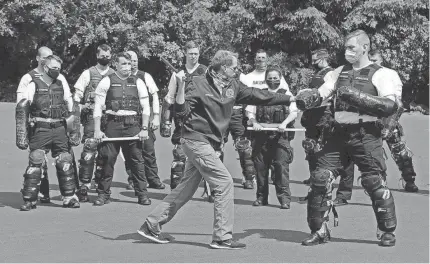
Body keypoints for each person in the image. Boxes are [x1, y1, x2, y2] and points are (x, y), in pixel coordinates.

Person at [137, 50, 294, 249]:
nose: (237, 70)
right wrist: (181, 88)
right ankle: (222, 237)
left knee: (186, 187)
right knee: (224, 182)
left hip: (209, 143)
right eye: (234, 67)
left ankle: (151, 225)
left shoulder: (233, 85)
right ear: (223, 67)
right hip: (195, 140)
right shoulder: (198, 83)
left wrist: (289, 99)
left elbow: (259, 96)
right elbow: (182, 112)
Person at [296, 30, 399, 247]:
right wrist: (309, 97)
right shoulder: (338, 72)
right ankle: (319, 230)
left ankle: (386, 231)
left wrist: (357, 97)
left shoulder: (383, 73)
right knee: (320, 178)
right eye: (345, 47)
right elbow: (323, 92)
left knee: (374, 182)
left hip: (366, 134)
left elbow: (390, 106)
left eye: (351, 47)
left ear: (365, 48)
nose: (347, 52)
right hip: (337, 132)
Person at [332, 49, 420, 205]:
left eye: (375, 60)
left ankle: (409, 180)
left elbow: (397, 104)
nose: (372, 63)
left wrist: (389, 125)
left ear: (381, 60)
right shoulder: (356, 73)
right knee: (352, 157)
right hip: (364, 123)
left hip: (387, 120)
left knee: (401, 152)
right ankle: (344, 194)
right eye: (370, 59)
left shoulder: (389, 74)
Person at [16, 46, 79, 204]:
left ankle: (69, 197)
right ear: (44, 66)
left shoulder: (61, 82)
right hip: (40, 128)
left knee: (65, 159)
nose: (56, 70)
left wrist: (74, 131)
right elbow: (22, 108)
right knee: (36, 159)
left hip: (59, 128)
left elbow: (71, 106)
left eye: (58, 68)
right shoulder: (31, 82)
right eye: (53, 68)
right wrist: (21, 135)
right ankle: (30, 198)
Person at [92, 52, 151, 206]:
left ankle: (142, 194)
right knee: (107, 160)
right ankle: (103, 194)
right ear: (115, 65)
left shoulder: (138, 82)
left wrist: (144, 129)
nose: (127, 66)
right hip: (112, 125)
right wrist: (97, 130)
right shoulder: (106, 81)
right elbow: (98, 107)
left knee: (136, 161)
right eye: (123, 63)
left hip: (133, 126)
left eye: (129, 63)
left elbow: (145, 107)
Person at [246, 65, 298, 209]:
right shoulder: (259, 94)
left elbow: (294, 113)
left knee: (281, 167)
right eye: (270, 78)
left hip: (280, 136)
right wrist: (254, 122)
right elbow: (250, 112)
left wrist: (284, 123)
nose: (272, 80)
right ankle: (261, 198)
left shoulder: (287, 94)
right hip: (261, 136)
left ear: (280, 79)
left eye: (275, 78)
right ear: (266, 79)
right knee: (260, 168)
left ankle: (284, 200)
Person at [160, 41, 207, 190]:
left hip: (201, 118)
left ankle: (210, 189)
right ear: (185, 54)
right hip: (181, 116)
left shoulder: (205, 71)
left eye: (196, 54)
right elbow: (169, 98)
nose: (193, 56)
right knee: (179, 154)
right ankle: (175, 190)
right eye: (190, 53)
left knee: (206, 156)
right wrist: (165, 122)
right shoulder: (177, 73)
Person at [242, 49, 291, 186]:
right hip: (256, 117)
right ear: (255, 60)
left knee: (280, 156)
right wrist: (252, 119)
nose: (261, 60)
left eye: (263, 58)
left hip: (277, 122)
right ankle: (249, 177)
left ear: (267, 59)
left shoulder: (276, 75)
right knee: (250, 151)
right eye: (258, 58)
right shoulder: (248, 77)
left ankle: (277, 179)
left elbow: (287, 97)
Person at [73, 44, 115, 202]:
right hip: (91, 115)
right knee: (89, 150)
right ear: (97, 56)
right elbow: (77, 94)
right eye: (102, 55)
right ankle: (84, 186)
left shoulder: (114, 74)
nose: (105, 58)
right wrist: (79, 109)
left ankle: (102, 186)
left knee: (107, 154)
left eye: (108, 55)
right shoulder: (88, 73)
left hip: (110, 117)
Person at [124, 50, 165, 190]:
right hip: (127, 120)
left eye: (135, 60)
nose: (133, 63)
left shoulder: (145, 76)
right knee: (130, 152)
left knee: (148, 150)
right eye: (130, 61)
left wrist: (156, 117)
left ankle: (153, 179)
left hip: (145, 119)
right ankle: (133, 179)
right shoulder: (119, 77)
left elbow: (155, 96)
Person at [301, 48, 335, 185]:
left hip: (324, 112)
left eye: (315, 60)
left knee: (321, 146)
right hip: (312, 112)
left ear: (323, 58)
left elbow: (329, 93)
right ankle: (313, 175)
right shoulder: (317, 73)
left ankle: (322, 177)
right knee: (309, 145)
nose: (313, 63)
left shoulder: (330, 73)